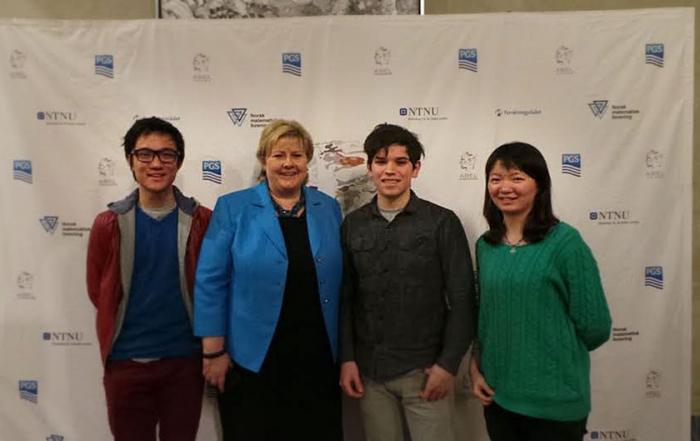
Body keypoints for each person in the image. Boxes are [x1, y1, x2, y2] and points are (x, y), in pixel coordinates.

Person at [194, 119, 343, 440]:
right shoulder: (233, 207)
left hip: (316, 358)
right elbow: (210, 280)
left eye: (297, 155)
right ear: (264, 160)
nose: (288, 163)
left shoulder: (328, 208)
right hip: (252, 360)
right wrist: (213, 352)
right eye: (279, 155)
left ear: (308, 161)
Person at [339, 123, 476, 441]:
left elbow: (463, 298)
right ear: (370, 167)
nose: (390, 170)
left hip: (426, 372)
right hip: (371, 374)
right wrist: (347, 359)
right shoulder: (353, 225)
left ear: (415, 168)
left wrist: (448, 364)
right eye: (381, 161)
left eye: (400, 162)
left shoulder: (442, 222)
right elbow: (346, 299)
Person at [469, 142, 612, 441]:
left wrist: (549, 354)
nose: (504, 187)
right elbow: (487, 316)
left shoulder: (565, 243)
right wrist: (476, 365)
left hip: (555, 403)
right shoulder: (486, 246)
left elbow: (596, 326)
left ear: (540, 185)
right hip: (499, 396)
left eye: (517, 177)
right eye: (496, 179)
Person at [86, 117, 212, 441]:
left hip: (184, 363)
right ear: (131, 160)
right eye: (145, 154)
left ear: (179, 162)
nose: (156, 163)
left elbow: (214, 291)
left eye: (166, 154)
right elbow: (98, 291)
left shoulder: (202, 221)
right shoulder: (108, 224)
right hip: (125, 364)